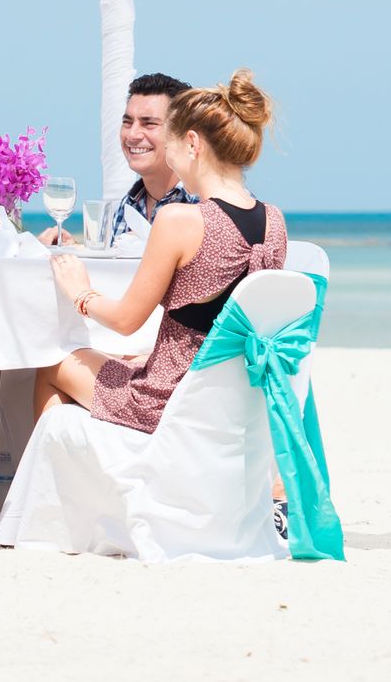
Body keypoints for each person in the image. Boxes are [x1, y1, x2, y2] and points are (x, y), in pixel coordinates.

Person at [34, 70, 287, 435]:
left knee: (51, 364)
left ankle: (56, 489)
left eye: (169, 142)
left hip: (168, 400)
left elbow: (125, 321)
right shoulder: (274, 221)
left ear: (193, 144)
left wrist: (80, 292)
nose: (167, 154)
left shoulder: (179, 220)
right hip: (238, 403)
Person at [48, 72, 204, 249]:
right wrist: (75, 248)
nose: (132, 134)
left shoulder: (202, 203)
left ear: (183, 134)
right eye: (127, 122)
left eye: (149, 123)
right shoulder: (128, 204)